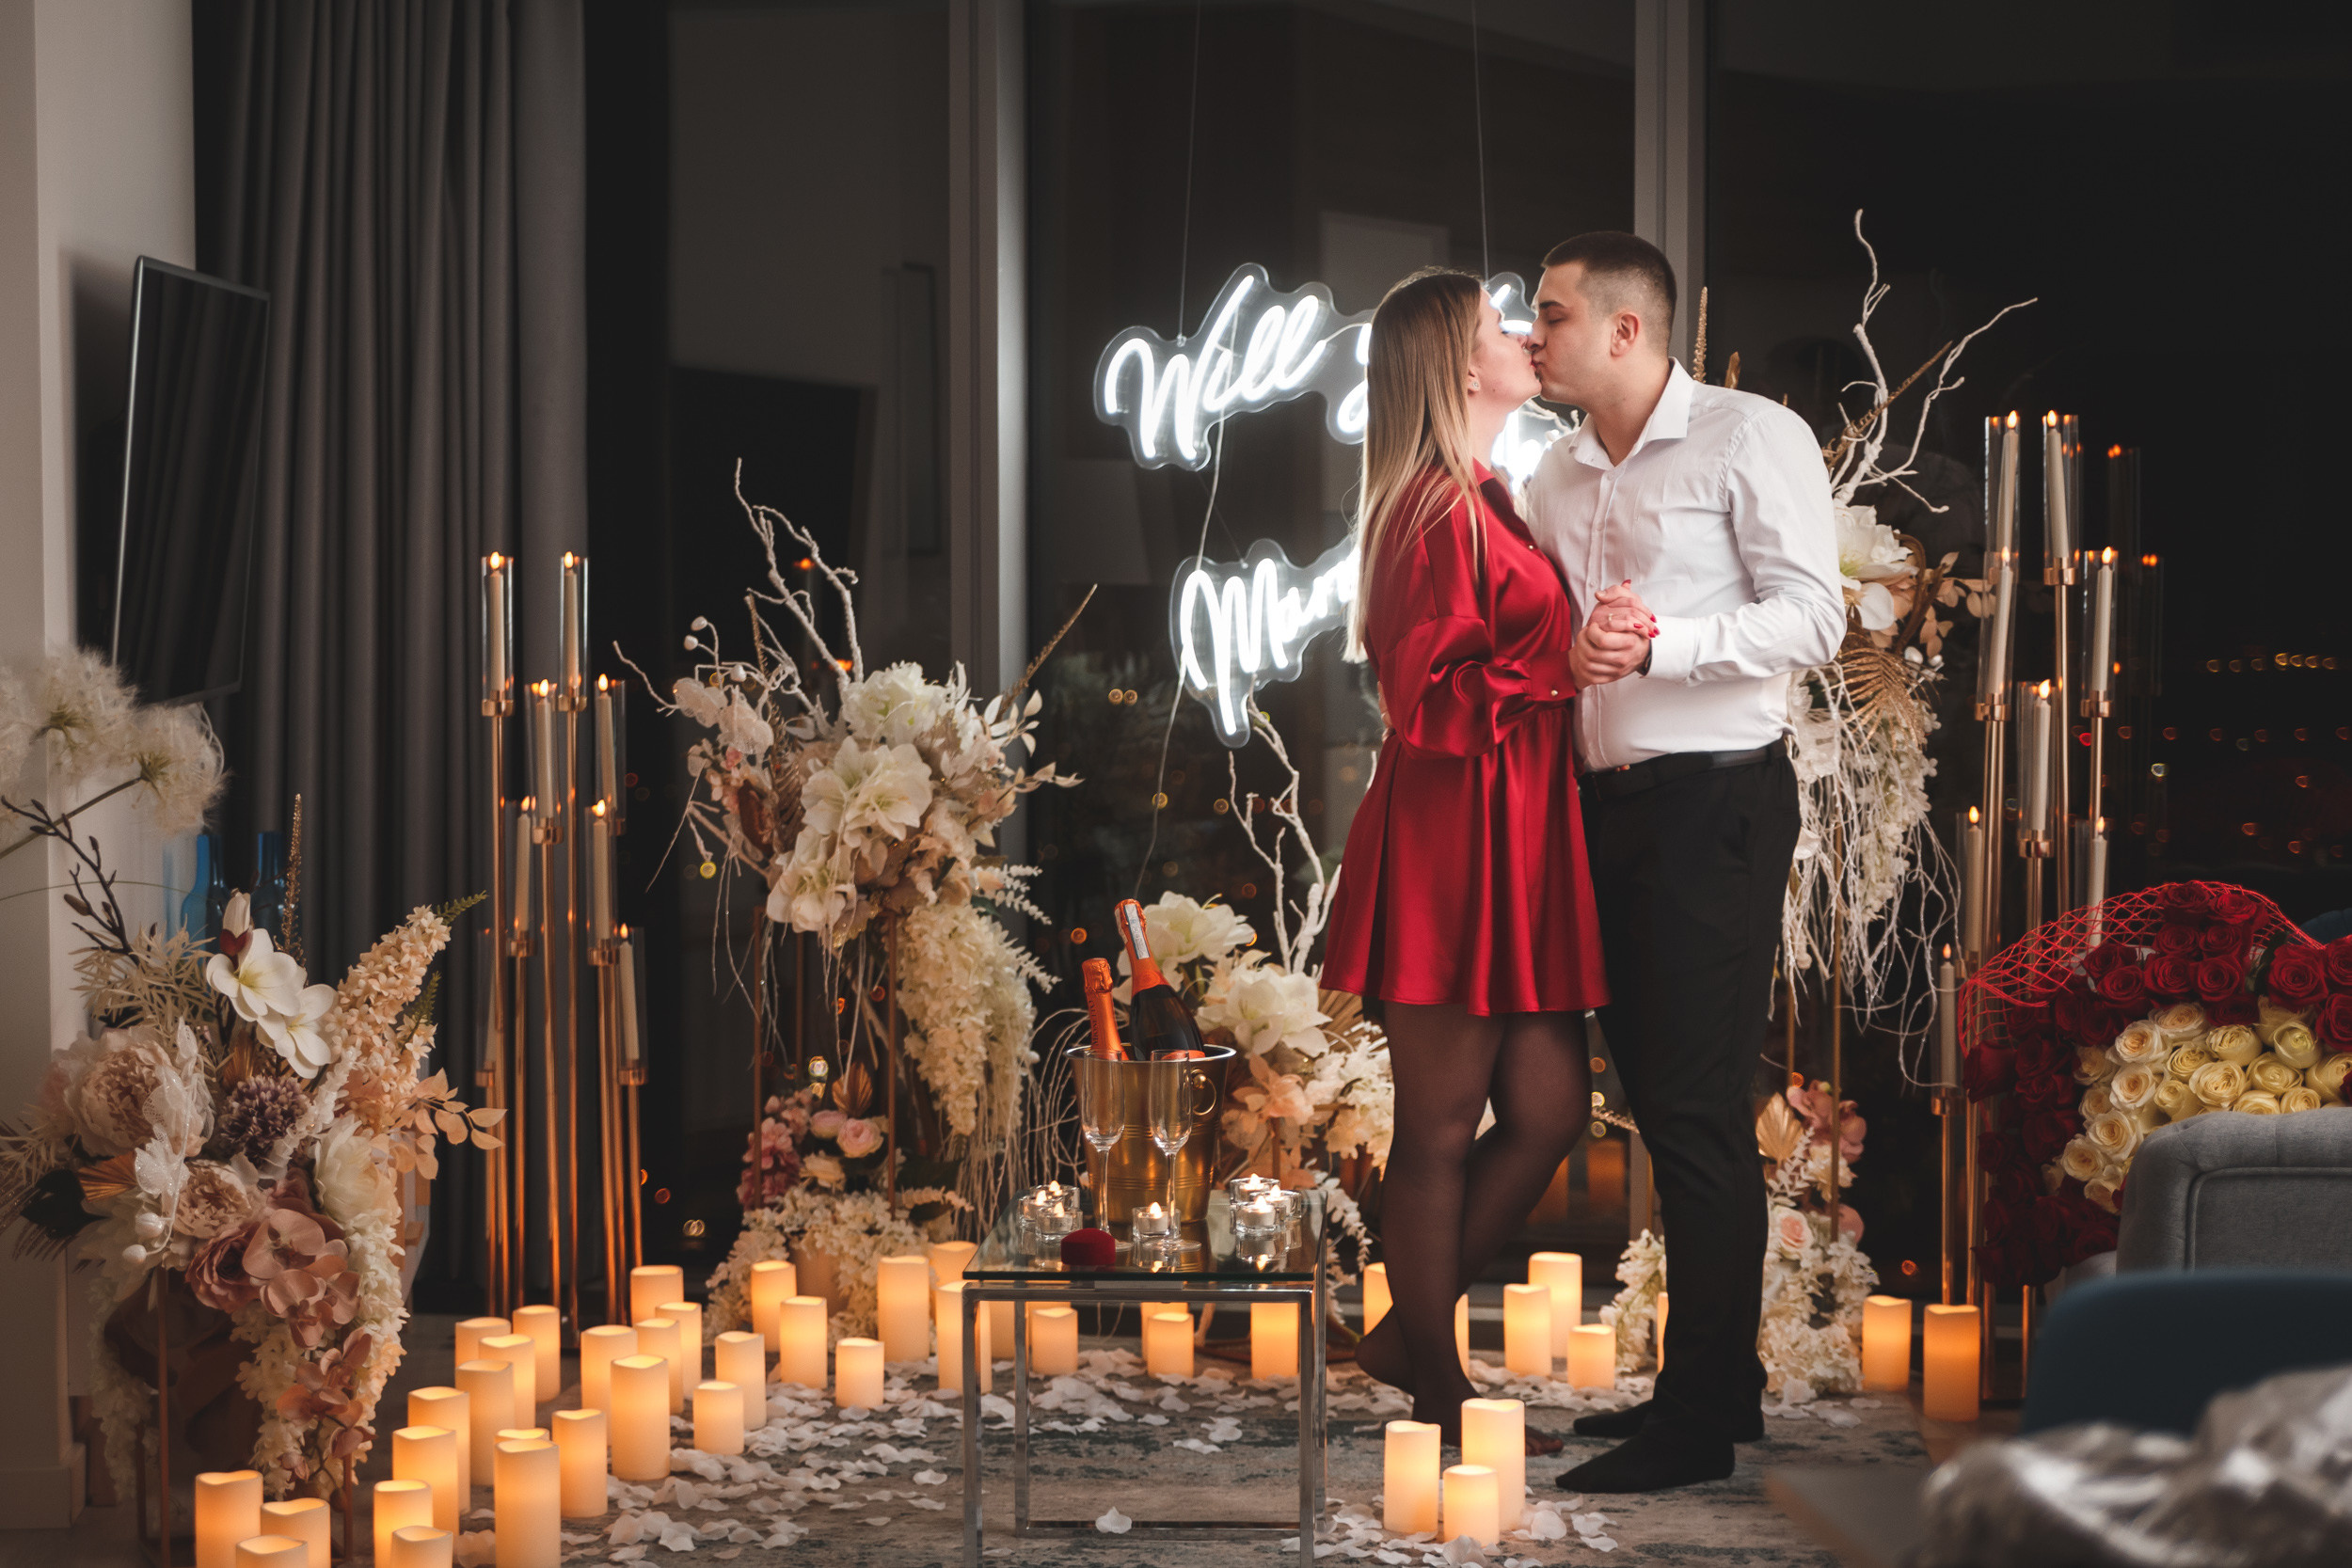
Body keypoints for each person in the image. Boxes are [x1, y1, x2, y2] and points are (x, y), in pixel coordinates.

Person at [1522, 232, 1844, 1492]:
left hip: (1717, 802)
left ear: (1624, 329)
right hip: (1603, 814)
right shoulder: (1551, 478)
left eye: (1550, 314)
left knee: (1698, 1116)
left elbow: (1815, 614)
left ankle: (1698, 1419)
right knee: (1662, 1107)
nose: (1532, 334)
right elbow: (1564, 648)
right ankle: (1724, 1389)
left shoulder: (1748, 435)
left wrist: (1663, 643)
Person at [1322, 268, 1641, 1447]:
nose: (1524, 338)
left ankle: (1409, 1326)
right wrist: (1568, 666)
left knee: (1554, 1105)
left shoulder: (1485, 494)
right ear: (1463, 367)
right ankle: (1438, 1380)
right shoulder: (1427, 509)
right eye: (1502, 328)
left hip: (1517, 830)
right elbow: (1427, 703)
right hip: (1457, 839)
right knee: (1441, 1125)